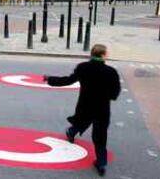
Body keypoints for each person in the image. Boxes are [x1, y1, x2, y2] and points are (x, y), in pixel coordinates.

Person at [43, 44, 121, 176]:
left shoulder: (83, 67)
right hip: (102, 108)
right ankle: (101, 163)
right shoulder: (111, 72)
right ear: (103, 55)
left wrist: (50, 79)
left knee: (81, 122)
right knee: (100, 135)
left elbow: (68, 80)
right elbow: (115, 93)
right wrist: (106, 95)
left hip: (85, 104)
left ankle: (71, 132)